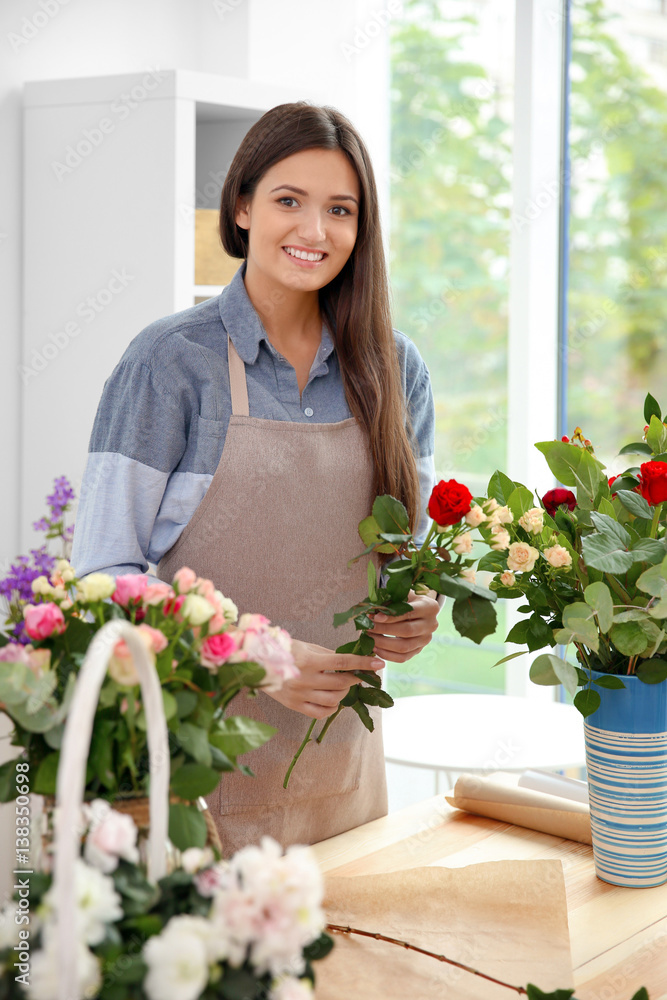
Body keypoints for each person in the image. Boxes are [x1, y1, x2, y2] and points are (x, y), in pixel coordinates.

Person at [71, 102, 440, 852]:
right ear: (240, 206)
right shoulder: (170, 363)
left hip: (344, 775)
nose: (314, 231)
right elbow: (101, 574)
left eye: (340, 209)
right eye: (287, 201)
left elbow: (409, 555)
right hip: (193, 773)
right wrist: (259, 653)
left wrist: (418, 604)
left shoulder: (395, 368)